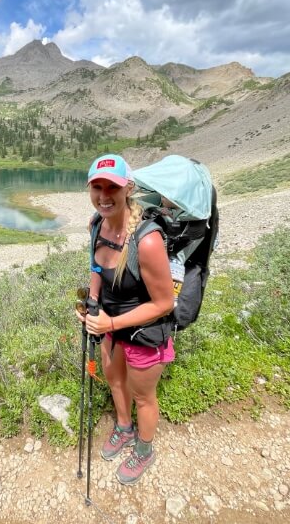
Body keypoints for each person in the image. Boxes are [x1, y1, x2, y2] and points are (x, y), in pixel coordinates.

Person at [77, 153, 175, 486]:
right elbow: (96, 268)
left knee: (143, 395)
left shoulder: (146, 240)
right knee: (115, 380)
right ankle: (123, 427)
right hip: (109, 325)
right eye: (97, 187)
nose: (104, 195)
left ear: (128, 188)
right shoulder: (96, 224)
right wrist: (91, 303)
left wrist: (111, 324)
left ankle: (144, 450)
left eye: (112, 187)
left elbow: (164, 302)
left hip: (145, 333)